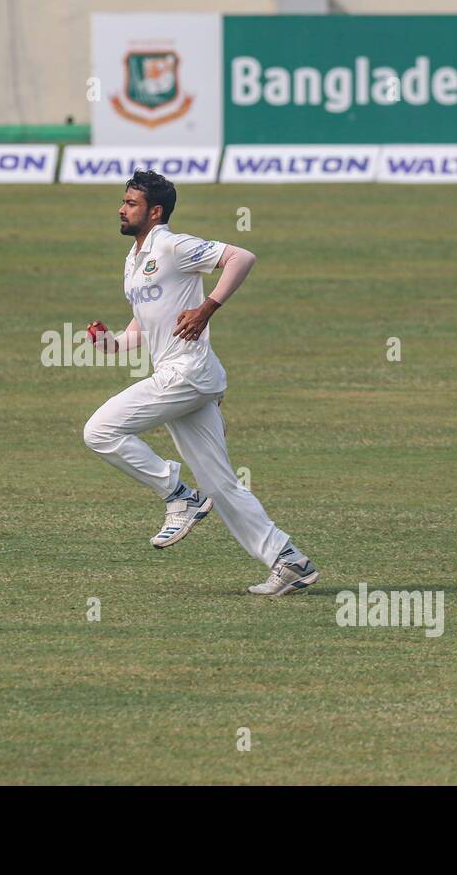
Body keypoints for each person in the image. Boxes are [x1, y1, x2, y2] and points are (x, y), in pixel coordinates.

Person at [82, 170, 320, 596]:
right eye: (122, 201)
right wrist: (112, 344)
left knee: (99, 430)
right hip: (185, 378)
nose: (121, 208)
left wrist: (208, 307)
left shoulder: (173, 245)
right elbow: (144, 323)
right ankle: (290, 562)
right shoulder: (132, 261)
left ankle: (178, 495)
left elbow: (241, 257)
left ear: (154, 212)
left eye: (131, 204)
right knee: (221, 485)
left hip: (186, 373)